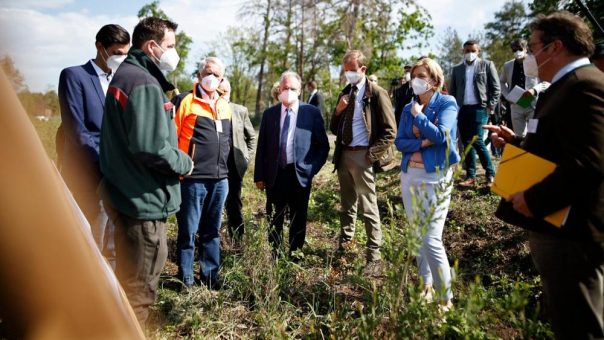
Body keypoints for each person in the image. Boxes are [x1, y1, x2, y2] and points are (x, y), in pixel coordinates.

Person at [484, 11, 604, 339]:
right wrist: (517, 142)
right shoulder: (563, 87)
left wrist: (533, 199)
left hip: (571, 231)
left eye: (534, 46)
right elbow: (562, 147)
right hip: (555, 226)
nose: (530, 55)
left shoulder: (585, 86)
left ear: (555, 47)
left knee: (580, 327)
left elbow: (590, 162)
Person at [99, 17, 193, 326]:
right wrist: (184, 163)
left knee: (128, 280)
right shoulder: (141, 83)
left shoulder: (127, 76)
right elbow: (151, 147)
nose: (174, 53)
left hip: (127, 194)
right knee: (140, 290)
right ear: (151, 46)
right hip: (143, 201)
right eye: (170, 46)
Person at [57, 25, 129, 264]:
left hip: (117, 177)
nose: (122, 59)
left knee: (113, 245)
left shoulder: (121, 82)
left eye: (125, 54)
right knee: (90, 243)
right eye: (117, 52)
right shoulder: (74, 76)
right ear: (100, 47)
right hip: (89, 173)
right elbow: (77, 131)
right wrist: (106, 168)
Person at [395, 57, 460, 310]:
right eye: (414, 75)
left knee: (432, 237)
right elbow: (400, 142)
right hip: (410, 173)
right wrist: (422, 143)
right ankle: (426, 287)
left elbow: (442, 135)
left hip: (436, 177)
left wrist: (420, 119)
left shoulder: (447, 103)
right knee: (417, 234)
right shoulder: (407, 107)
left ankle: (446, 301)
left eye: (421, 75)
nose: (415, 80)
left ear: (433, 80)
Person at [330, 50, 397, 268]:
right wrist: (338, 111)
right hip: (344, 155)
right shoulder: (345, 92)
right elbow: (333, 127)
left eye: (352, 70)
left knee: (368, 206)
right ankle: (345, 247)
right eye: (345, 70)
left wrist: (370, 156)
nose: (348, 74)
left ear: (363, 69)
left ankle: (374, 256)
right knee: (347, 205)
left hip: (363, 156)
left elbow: (389, 131)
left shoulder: (376, 93)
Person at [254, 71, 329, 259]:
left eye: (293, 88)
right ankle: (275, 256)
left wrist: (310, 170)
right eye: (285, 88)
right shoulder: (270, 114)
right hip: (275, 174)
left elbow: (323, 146)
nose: (288, 91)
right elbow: (261, 146)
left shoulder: (311, 113)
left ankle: (296, 255)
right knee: (274, 219)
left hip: (300, 175)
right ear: (279, 89)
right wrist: (259, 175)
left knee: (298, 218)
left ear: (300, 90)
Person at [172, 57, 232, 289]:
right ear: (199, 75)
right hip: (191, 179)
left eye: (217, 75)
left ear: (221, 79)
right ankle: (185, 276)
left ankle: (210, 275)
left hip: (220, 179)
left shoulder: (224, 104)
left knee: (212, 231)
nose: (212, 77)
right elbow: (172, 138)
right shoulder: (185, 101)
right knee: (188, 230)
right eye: (208, 72)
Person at [449, 40, 500, 187]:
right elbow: (453, 91)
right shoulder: (457, 69)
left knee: (476, 140)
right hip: (462, 109)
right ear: (463, 52)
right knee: (466, 143)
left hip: (480, 108)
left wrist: (490, 107)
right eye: (466, 51)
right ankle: (470, 176)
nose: (469, 53)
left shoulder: (487, 65)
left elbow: (496, 88)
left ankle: (490, 173)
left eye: (472, 50)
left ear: (478, 51)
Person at [218, 77, 256, 244]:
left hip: (234, 166)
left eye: (224, 90)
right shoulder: (209, 108)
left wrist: (245, 157)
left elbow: (251, 137)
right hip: (214, 165)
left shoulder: (240, 110)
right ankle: (212, 240)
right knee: (214, 205)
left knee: (234, 204)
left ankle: (237, 241)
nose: (221, 93)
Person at [499, 39, 549, 137]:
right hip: (516, 105)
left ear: (526, 49)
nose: (517, 52)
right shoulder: (508, 65)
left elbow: (547, 81)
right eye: (514, 50)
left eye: (519, 49)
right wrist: (507, 96)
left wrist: (535, 90)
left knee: (533, 134)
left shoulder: (536, 62)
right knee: (519, 136)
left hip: (533, 105)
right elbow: (501, 81)